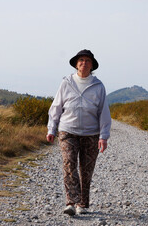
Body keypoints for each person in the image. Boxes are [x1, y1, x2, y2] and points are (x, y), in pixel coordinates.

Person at [46, 49, 112, 216]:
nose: (84, 63)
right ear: (76, 64)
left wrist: (103, 136)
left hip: (91, 134)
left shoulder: (98, 86)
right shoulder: (66, 83)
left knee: (86, 170)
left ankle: (81, 203)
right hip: (68, 130)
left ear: (92, 66)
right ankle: (70, 202)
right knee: (69, 164)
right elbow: (56, 107)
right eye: (81, 60)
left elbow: (104, 112)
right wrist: (51, 128)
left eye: (87, 61)